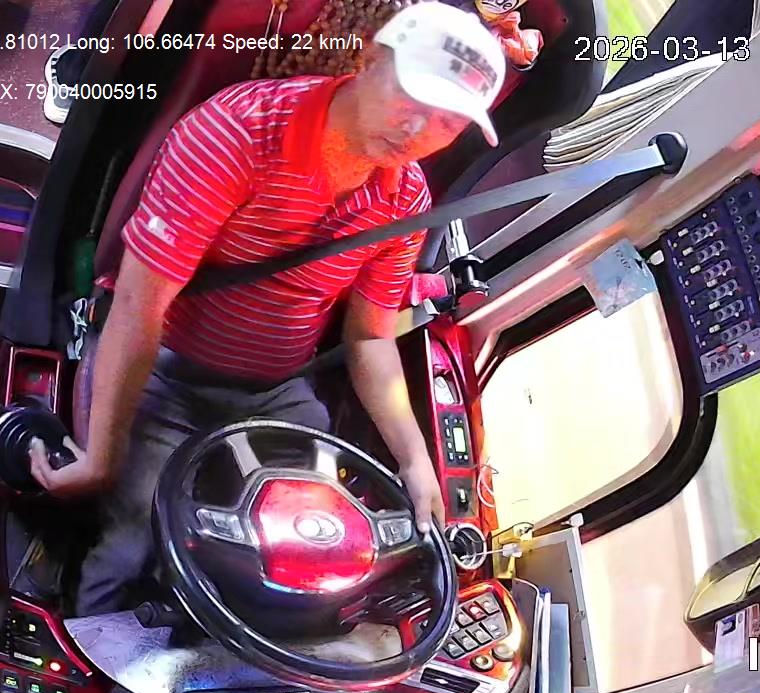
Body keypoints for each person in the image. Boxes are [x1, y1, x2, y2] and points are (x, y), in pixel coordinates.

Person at [29, 1, 507, 617]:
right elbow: (139, 307)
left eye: (447, 121)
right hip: (165, 372)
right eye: (411, 96)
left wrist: (416, 461)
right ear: (369, 59)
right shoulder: (236, 136)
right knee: (132, 545)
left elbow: (369, 339)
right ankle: (86, 644)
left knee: (317, 547)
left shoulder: (406, 198)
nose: (417, 129)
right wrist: (103, 454)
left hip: (276, 391)